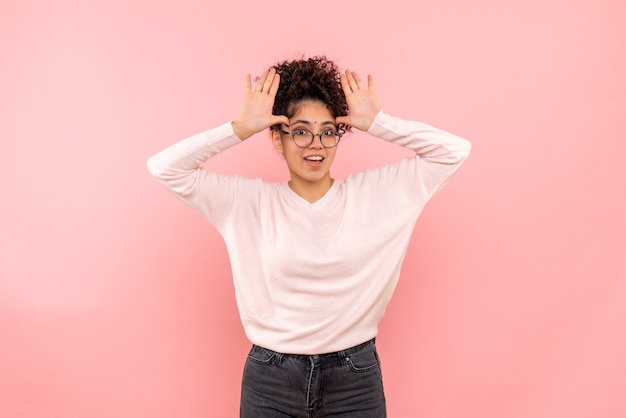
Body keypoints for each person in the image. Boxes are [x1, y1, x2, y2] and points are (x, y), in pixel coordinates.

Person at [147, 56, 471, 418]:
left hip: (355, 379)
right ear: (276, 137)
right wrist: (238, 128)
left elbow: (454, 152)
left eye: (328, 131)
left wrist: (381, 124)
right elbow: (164, 168)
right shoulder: (245, 203)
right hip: (271, 379)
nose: (315, 144)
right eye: (300, 130)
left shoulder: (379, 194)